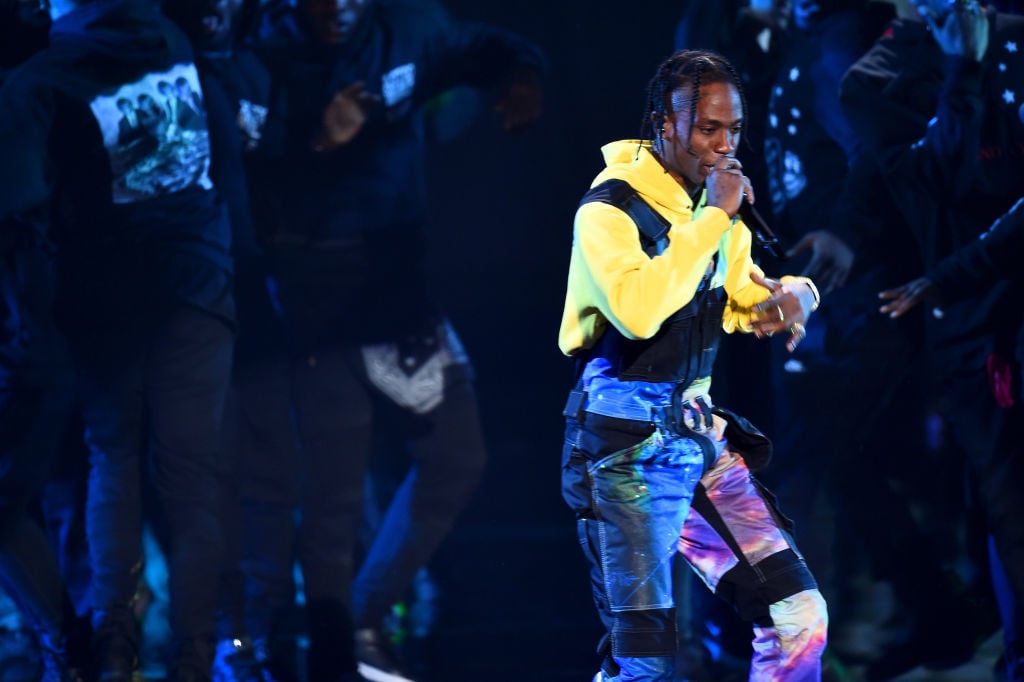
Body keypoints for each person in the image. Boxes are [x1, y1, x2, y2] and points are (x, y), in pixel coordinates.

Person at [231, 1, 544, 680]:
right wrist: (317, 145)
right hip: (315, 304)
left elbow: (486, 42)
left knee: (458, 452)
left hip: (399, 297)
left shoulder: (409, 27)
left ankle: (364, 614)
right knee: (332, 496)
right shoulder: (258, 56)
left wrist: (519, 74)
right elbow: (238, 184)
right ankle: (327, 646)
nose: (338, 7)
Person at [558, 48, 827, 682]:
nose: (723, 144)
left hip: (697, 435)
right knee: (645, 667)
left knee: (798, 615)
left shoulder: (713, 213)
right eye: (708, 128)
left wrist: (796, 296)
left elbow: (742, 301)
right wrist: (714, 218)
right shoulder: (608, 210)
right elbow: (641, 311)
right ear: (665, 124)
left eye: (733, 130)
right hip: (621, 446)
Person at [0, 0, 238, 679]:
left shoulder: (41, 81)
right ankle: (198, 652)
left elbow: (15, 202)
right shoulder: (169, 36)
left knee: (113, 465)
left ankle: (111, 651)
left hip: (103, 304)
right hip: (199, 286)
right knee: (191, 478)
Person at [841, 0, 1024, 679]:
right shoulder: (871, 79)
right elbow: (943, 177)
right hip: (970, 325)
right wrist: (963, 73)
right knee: (1003, 505)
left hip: (978, 303)